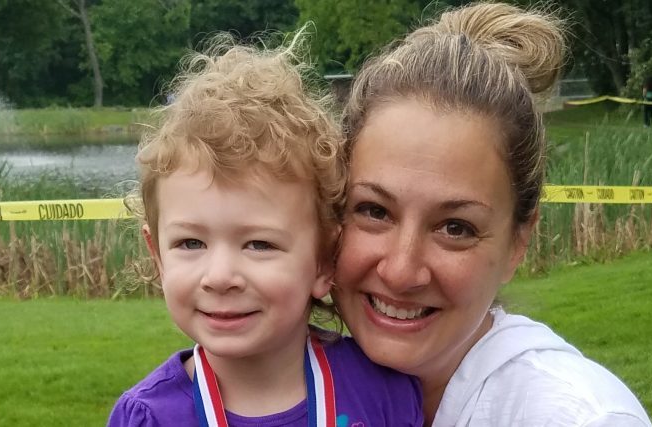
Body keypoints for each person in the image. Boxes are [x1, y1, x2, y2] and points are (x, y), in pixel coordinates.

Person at [333, 3, 652, 426]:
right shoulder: (283, 384)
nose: (400, 271)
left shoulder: (572, 416)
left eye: (455, 227)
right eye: (374, 211)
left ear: (518, 243)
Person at [108, 30, 423, 427]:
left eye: (259, 244)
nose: (220, 276)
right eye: (190, 242)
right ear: (157, 256)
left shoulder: (381, 391)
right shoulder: (147, 418)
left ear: (324, 261)